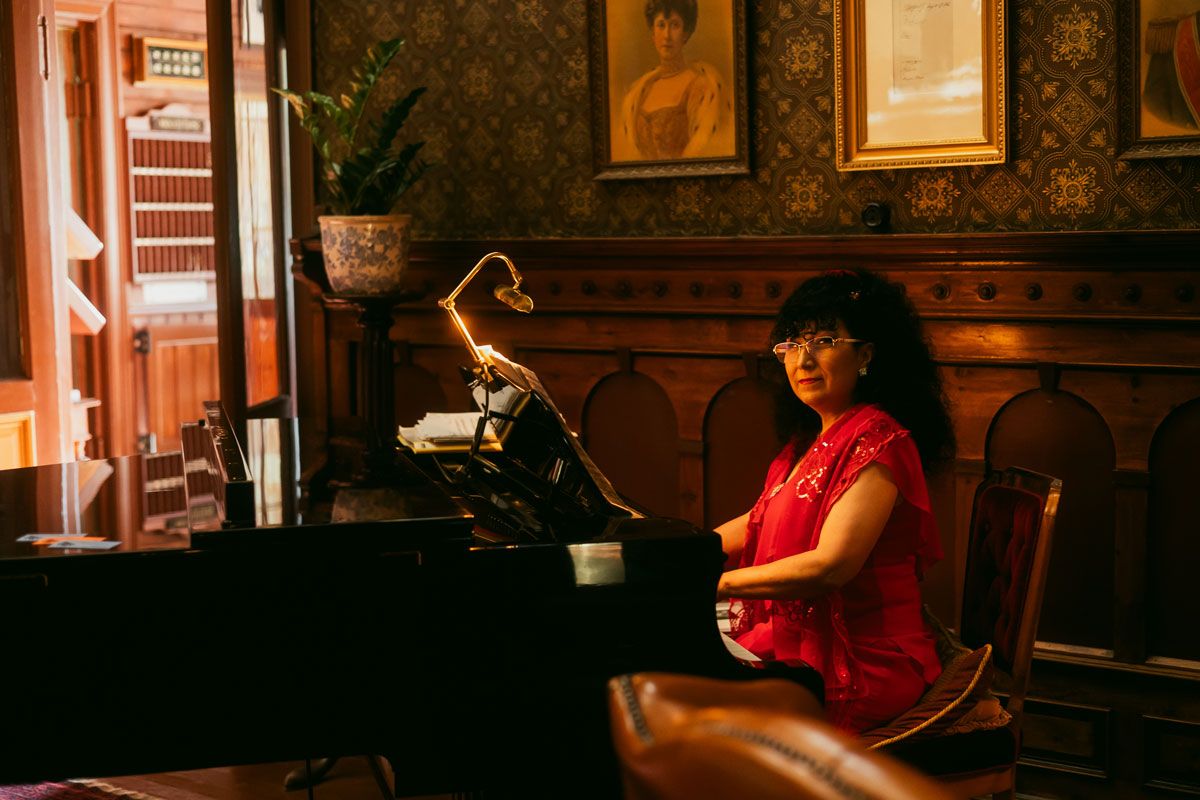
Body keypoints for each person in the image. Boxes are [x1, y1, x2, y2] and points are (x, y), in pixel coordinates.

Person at [716, 269, 955, 734]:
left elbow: (832, 567)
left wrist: (718, 584)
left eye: (823, 341)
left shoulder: (880, 440)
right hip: (802, 641)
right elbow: (759, 518)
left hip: (862, 659)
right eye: (792, 344)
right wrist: (680, 552)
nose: (803, 360)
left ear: (865, 354)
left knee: (693, 713)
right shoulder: (809, 440)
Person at [613, 0, 733, 161]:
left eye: (675, 25)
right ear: (653, 33)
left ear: (686, 33)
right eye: (661, 25)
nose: (667, 35)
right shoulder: (638, 91)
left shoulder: (702, 86)